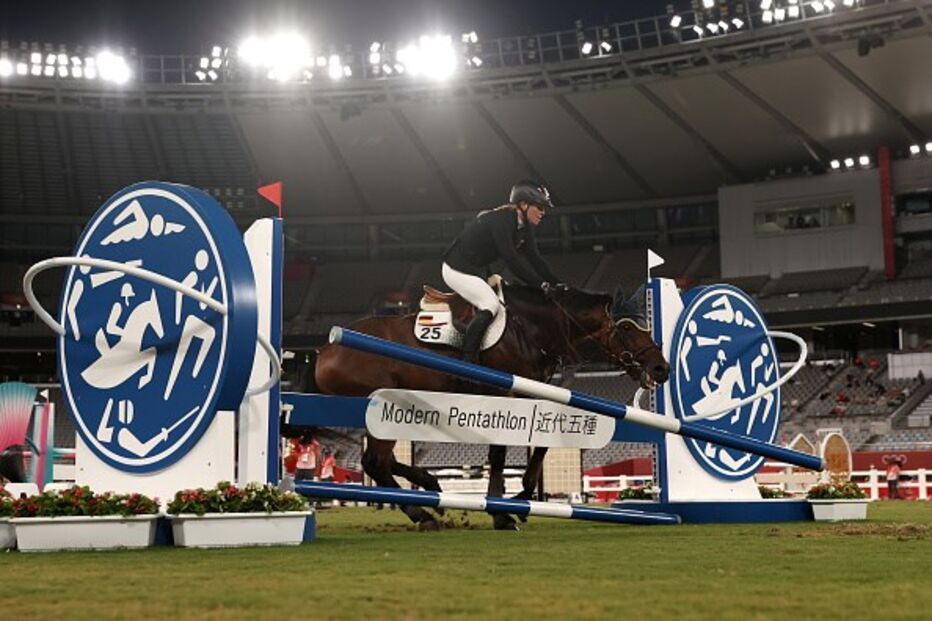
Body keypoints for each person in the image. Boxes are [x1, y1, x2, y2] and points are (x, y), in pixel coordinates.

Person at [442, 180, 568, 362]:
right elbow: (512, 261)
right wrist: (541, 284)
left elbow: (535, 259)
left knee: (509, 301)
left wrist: (557, 283)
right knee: (490, 304)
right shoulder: (502, 219)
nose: (543, 212)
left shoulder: (525, 227)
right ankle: (467, 361)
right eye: (539, 207)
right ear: (524, 205)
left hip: (477, 270)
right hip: (456, 269)